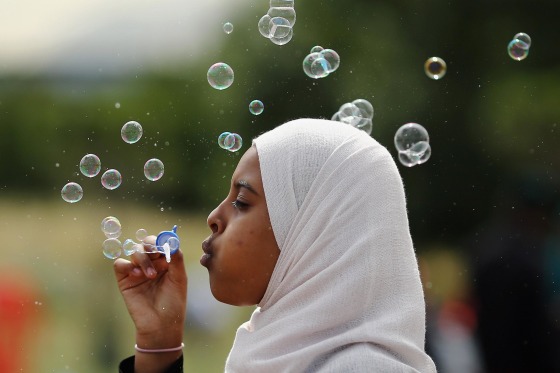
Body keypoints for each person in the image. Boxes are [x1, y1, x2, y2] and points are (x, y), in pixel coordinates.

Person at [114, 118, 437, 373]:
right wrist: (159, 344)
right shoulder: (276, 355)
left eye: (241, 201)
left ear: (313, 228)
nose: (214, 216)